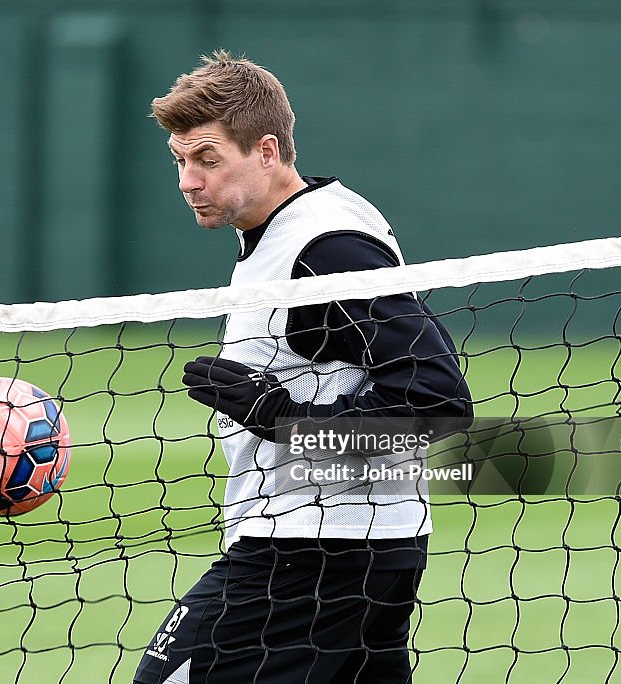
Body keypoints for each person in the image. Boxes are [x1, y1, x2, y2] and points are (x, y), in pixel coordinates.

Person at [133, 50, 472, 684]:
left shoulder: (327, 249)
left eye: (208, 159)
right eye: (180, 160)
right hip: (353, 547)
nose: (188, 179)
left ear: (266, 151)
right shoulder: (289, 231)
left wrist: (286, 420)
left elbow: (438, 401)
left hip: (315, 550)